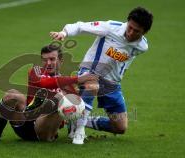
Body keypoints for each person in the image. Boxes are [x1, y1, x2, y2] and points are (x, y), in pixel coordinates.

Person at [50, 6, 153, 144]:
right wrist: (64, 32)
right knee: (92, 86)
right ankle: (79, 132)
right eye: (130, 27)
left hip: (112, 83)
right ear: (127, 22)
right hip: (90, 73)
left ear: (144, 32)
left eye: (137, 31)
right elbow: (80, 26)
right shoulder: (110, 27)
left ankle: (78, 120)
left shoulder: (142, 47)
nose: (131, 32)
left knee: (120, 127)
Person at [0, 44, 98, 142]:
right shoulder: (35, 71)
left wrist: (89, 86)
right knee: (12, 94)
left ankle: (77, 132)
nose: (48, 63)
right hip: (24, 122)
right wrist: (77, 79)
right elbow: (44, 83)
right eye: (44, 60)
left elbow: (77, 107)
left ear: (61, 61)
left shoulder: (68, 84)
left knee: (58, 98)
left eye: (52, 59)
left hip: (44, 130)